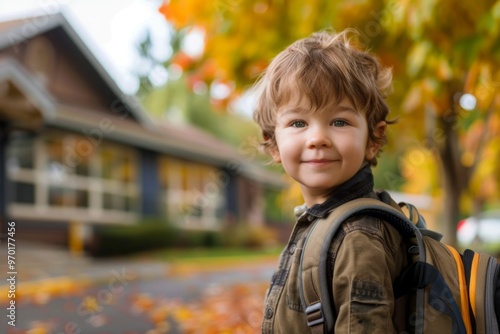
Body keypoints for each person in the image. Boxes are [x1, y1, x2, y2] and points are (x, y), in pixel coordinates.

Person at [252, 28, 408, 333]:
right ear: (273, 145)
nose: (318, 138)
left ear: (373, 140)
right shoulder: (322, 222)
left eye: (339, 121)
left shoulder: (357, 238)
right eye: (298, 122)